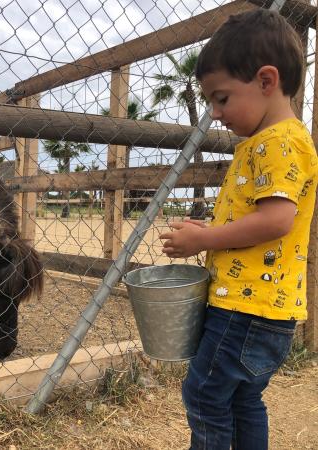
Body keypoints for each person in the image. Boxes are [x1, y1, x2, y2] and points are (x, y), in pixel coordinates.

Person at [159, 9, 318, 450]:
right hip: (266, 311)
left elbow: (276, 220)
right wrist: (210, 228)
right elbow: (258, 215)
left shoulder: (278, 142)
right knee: (244, 400)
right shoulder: (274, 141)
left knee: (204, 394)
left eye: (222, 98)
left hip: (246, 310)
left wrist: (204, 239)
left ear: (266, 81)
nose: (215, 112)